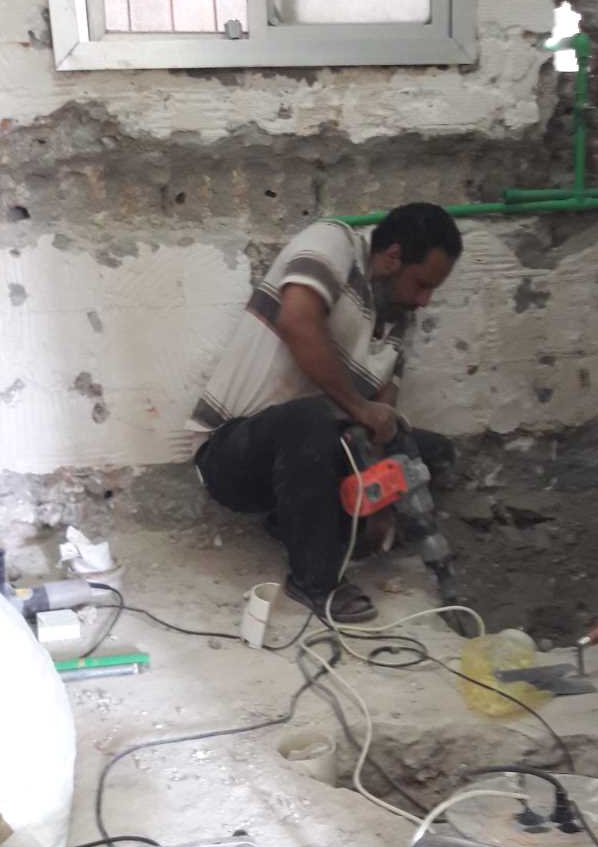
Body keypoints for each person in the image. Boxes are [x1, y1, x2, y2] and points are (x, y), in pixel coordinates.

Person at [187, 202, 463, 622]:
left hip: (308, 460)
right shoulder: (333, 242)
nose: (424, 300)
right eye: (422, 284)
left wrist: (381, 496)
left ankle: (294, 523)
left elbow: (380, 423)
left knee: (429, 452)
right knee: (313, 419)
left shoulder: (396, 325)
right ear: (392, 257)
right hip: (233, 455)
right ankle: (315, 581)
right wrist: (359, 408)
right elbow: (297, 322)